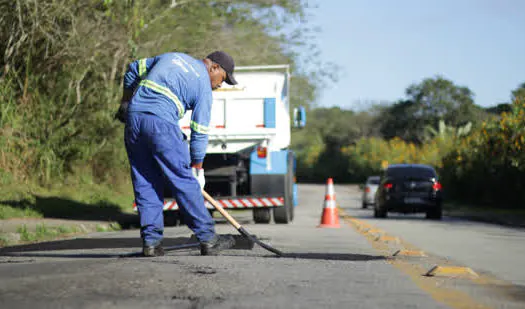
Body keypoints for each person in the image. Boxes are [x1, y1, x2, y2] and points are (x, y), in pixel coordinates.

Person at [118, 51, 238, 257]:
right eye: (223, 80)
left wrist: (126, 103)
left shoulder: (171, 57)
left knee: (145, 180)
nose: (220, 85)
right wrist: (197, 167)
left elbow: (132, 70)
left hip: (134, 120)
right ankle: (208, 238)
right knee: (183, 181)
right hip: (161, 124)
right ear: (214, 68)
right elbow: (199, 130)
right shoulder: (203, 87)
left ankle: (151, 243)